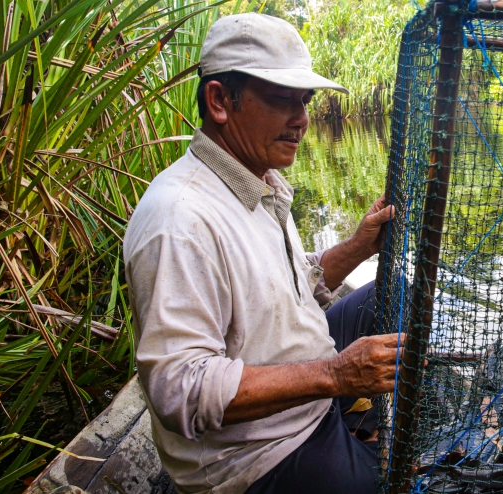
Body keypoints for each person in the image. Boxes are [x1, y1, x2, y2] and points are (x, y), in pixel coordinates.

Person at [123, 13, 404, 494]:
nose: (302, 119)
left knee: (392, 292)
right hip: (254, 454)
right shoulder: (180, 219)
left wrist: (359, 247)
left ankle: (352, 424)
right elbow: (178, 391)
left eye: (305, 101)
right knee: (394, 486)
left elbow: (292, 285)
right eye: (281, 100)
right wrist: (336, 375)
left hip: (304, 382)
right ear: (219, 101)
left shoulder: (257, 181)